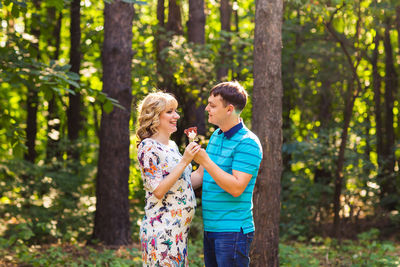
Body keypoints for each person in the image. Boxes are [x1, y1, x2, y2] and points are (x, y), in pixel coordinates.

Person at [191, 81, 263, 266]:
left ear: (229, 109)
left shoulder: (248, 143)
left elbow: (237, 187)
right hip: (212, 228)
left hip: (233, 232)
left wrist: (205, 160)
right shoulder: (216, 136)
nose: (207, 108)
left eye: (213, 105)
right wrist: (166, 182)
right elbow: (200, 176)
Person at [136, 92, 201, 267]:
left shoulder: (172, 147)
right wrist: (185, 160)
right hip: (162, 233)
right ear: (155, 117)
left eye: (176, 111)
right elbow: (158, 190)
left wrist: (205, 163)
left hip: (179, 232)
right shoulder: (148, 147)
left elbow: (185, 182)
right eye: (170, 111)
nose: (177, 116)